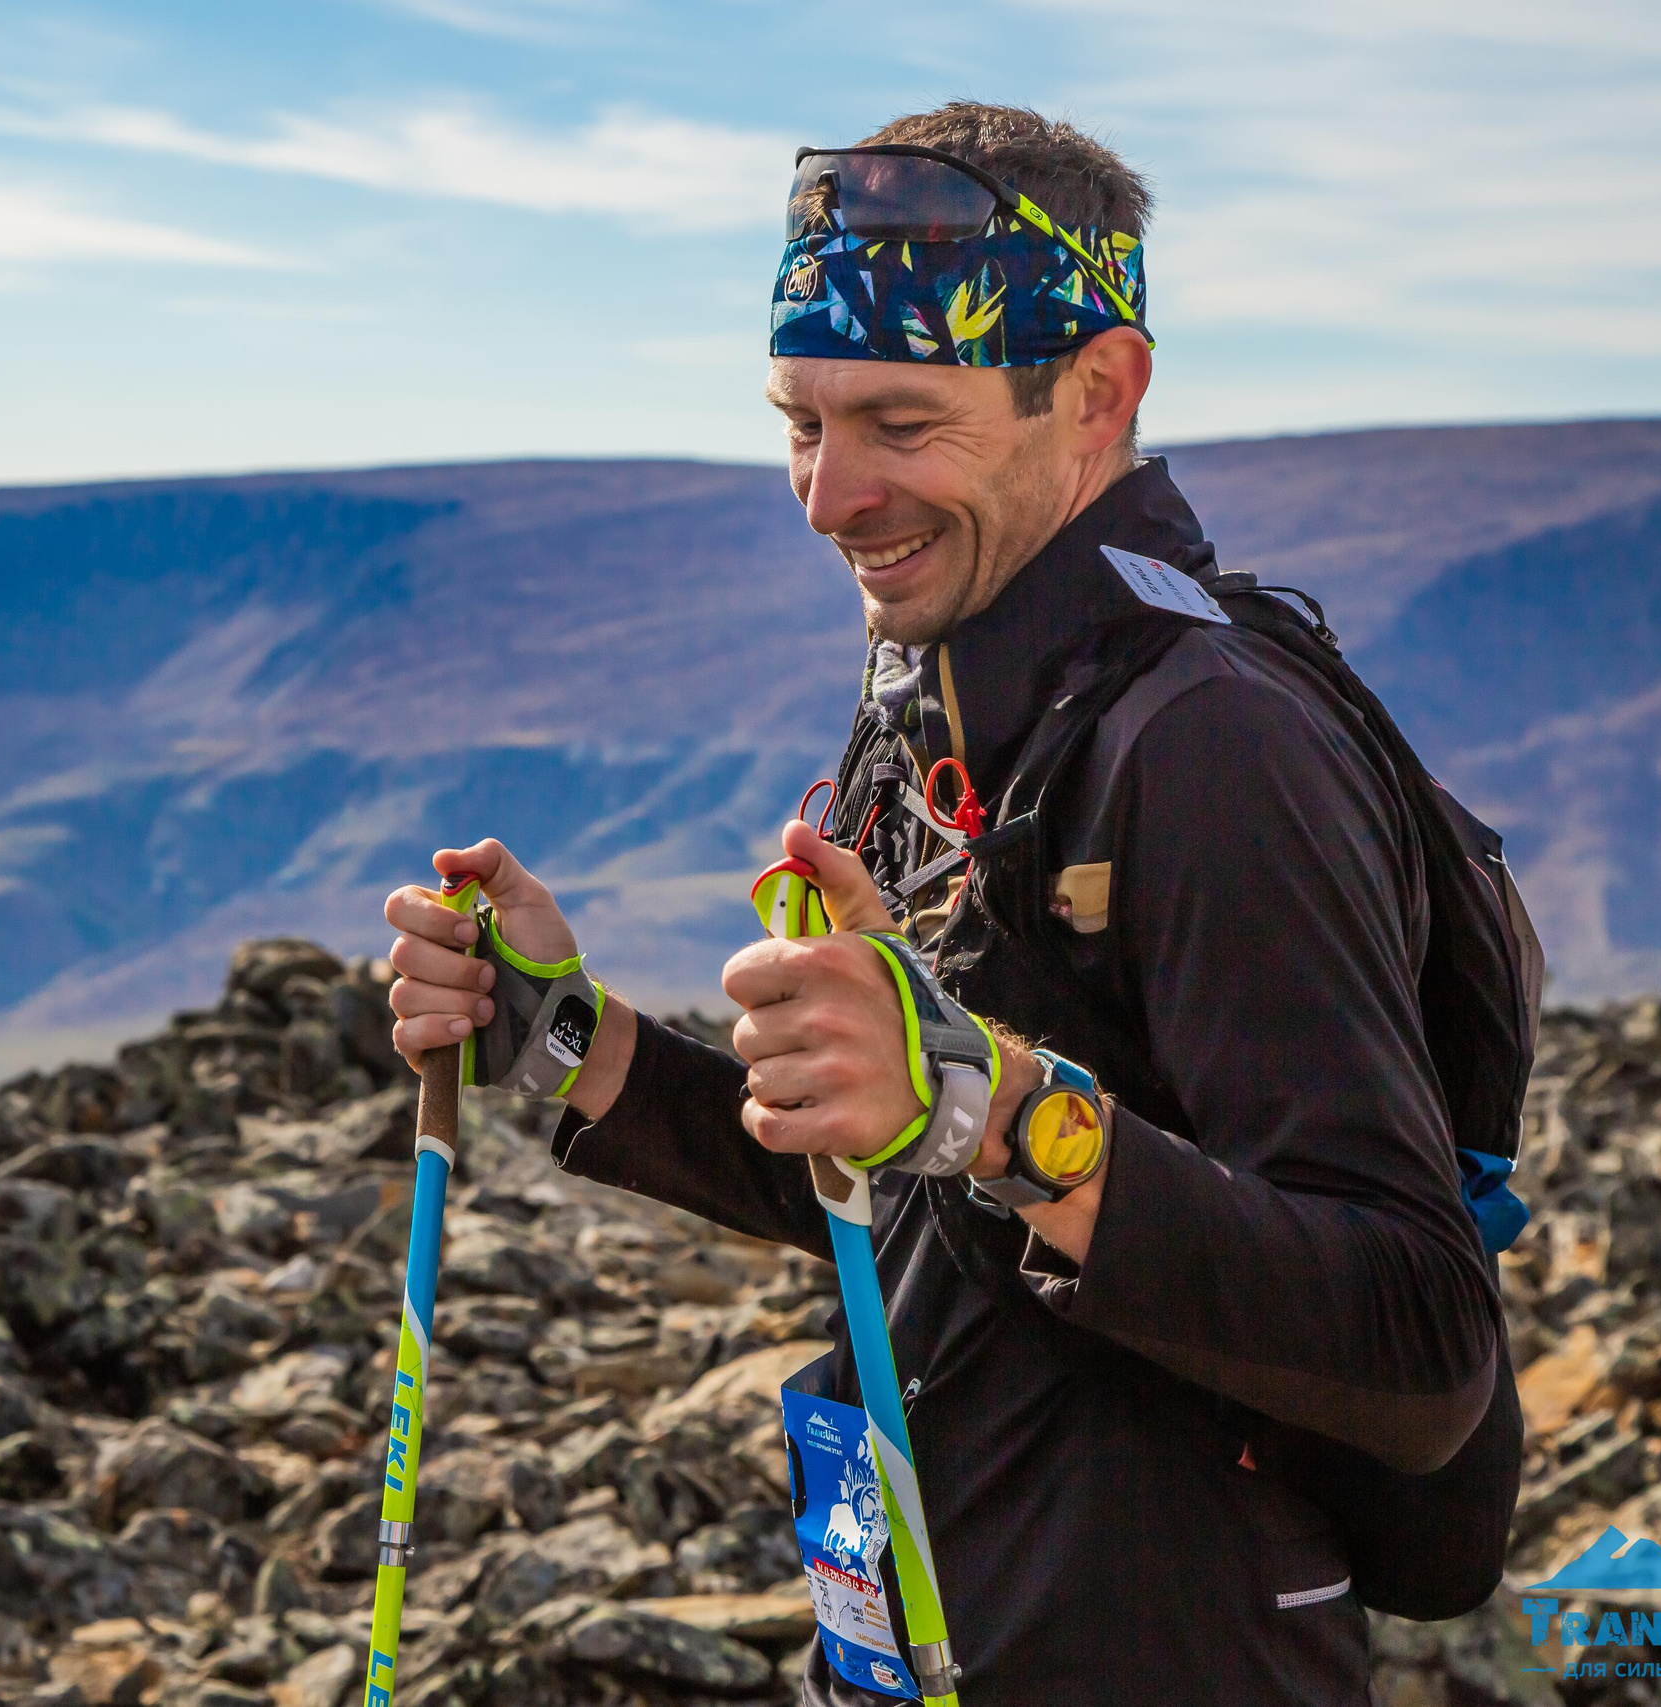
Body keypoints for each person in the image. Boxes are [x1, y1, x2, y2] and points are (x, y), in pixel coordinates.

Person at [384, 102, 1502, 1705]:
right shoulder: (944, 700)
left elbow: (1419, 1345)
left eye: (900, 424)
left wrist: (987, 1106)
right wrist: (555, 1035)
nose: (829, 497)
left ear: (1097, 391)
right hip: (935, 1623)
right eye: (799, 422)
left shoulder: (1213, 742)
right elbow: (888, 1184)